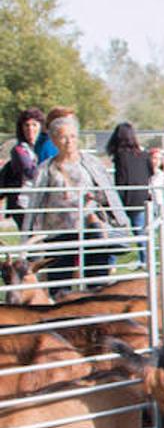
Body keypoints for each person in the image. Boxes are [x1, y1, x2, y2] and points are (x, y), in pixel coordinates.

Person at [22, 109, 130, 292]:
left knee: (97, 281)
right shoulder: (46, 169)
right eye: (64, 137)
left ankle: (96, 315)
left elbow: (108, 195)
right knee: (59, 282)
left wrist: (118, 221)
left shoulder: (91, 163)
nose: (69, 141)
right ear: (54, 140)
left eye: (73, 136)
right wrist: (27, 238)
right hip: (59, 232)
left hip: (90, 229)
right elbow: (34, 203)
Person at [105, 122, 154, 267]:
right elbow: (150, 173)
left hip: (125, 198)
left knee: (117, 232)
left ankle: (111, 264)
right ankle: (146, 261)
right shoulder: (144, 155)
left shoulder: (120, 157)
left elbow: (121, 179)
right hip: (141, 198)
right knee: (141, 233)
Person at [2, 108, 55, 229]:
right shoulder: (19, 150)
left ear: (41, 126)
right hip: (24, 202)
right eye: (26, 125)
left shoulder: (48, 146)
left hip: (46, 201)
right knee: (32, 239)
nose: (30, 129)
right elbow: (32, 173)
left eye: (34, 125)